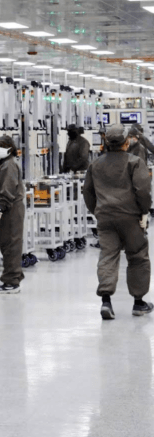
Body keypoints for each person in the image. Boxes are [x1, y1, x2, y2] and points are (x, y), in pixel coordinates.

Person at [83, 124, 154, 320]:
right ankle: (139, 303)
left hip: (105, 218)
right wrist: (144, 212)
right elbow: (143, 191)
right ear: (126, 142)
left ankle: (106, 301)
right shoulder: (134, 163)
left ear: (106, 141)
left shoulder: (95, 165)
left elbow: (87, 192)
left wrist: (97, 211)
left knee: (107, 257)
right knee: (138, 256)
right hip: (130, 217)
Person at [0, 135, 27, 294]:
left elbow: (8, 190)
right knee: (8, 246)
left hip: (9, 211)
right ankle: (14, 276)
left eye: (2, 145)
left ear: (10, 148)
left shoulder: (9, 165)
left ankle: (11, 282)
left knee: (11, 246)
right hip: (8, 210)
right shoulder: (5, 164)